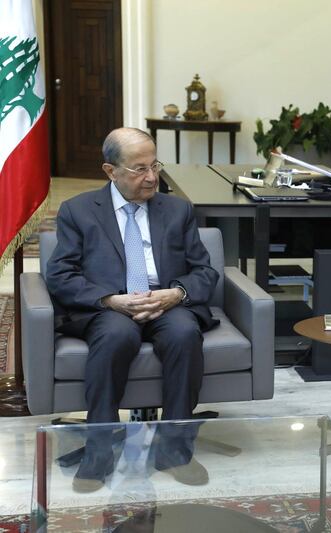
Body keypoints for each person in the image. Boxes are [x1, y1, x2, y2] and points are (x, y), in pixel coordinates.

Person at [46, 127, 219, 492]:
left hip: (166, 301)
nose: (152, 177)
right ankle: (100, 450)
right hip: (109, 306)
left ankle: (175, 451)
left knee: (185, 333)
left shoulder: (178, 210)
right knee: (114, 335)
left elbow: (204, 270)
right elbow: (60, 275)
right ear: (111, 171)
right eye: (139, 169)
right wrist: (110, 299)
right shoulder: (78, 210)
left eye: (155, 165)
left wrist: (176, 293)